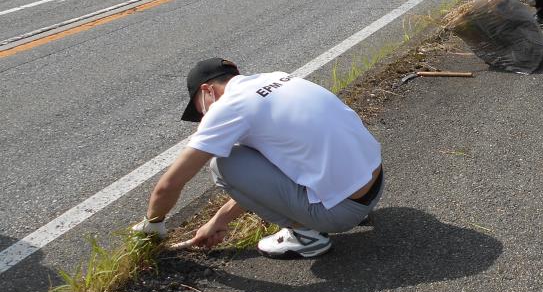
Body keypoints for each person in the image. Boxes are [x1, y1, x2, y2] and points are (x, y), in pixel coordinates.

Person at [132, 58, 383, 259]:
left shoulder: (228, 107)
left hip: (342, 212)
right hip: (376, 183)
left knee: (223, 164)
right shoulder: (277, 78)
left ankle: (307, 236)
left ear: (207, 91)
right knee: (269, 153)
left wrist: (152, 226)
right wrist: (219, 221)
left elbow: (170, 184)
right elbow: (269, 177)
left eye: (198, 110)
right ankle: (339, 207)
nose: (201, 117)